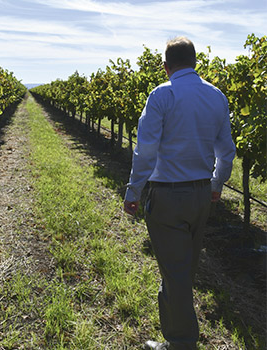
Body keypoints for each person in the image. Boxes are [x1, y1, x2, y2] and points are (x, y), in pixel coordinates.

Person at [124, 36, 236, 350]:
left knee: (174, 272)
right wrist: (215, 186)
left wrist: (133, 191)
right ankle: (180, 335)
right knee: (184, 268)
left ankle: (181, 342)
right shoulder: (216, 96)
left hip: (168, 198)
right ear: (195, 63)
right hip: (201, 196)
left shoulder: (162, 95)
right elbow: (226, 153)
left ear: (166, 66)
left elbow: (146, 150)